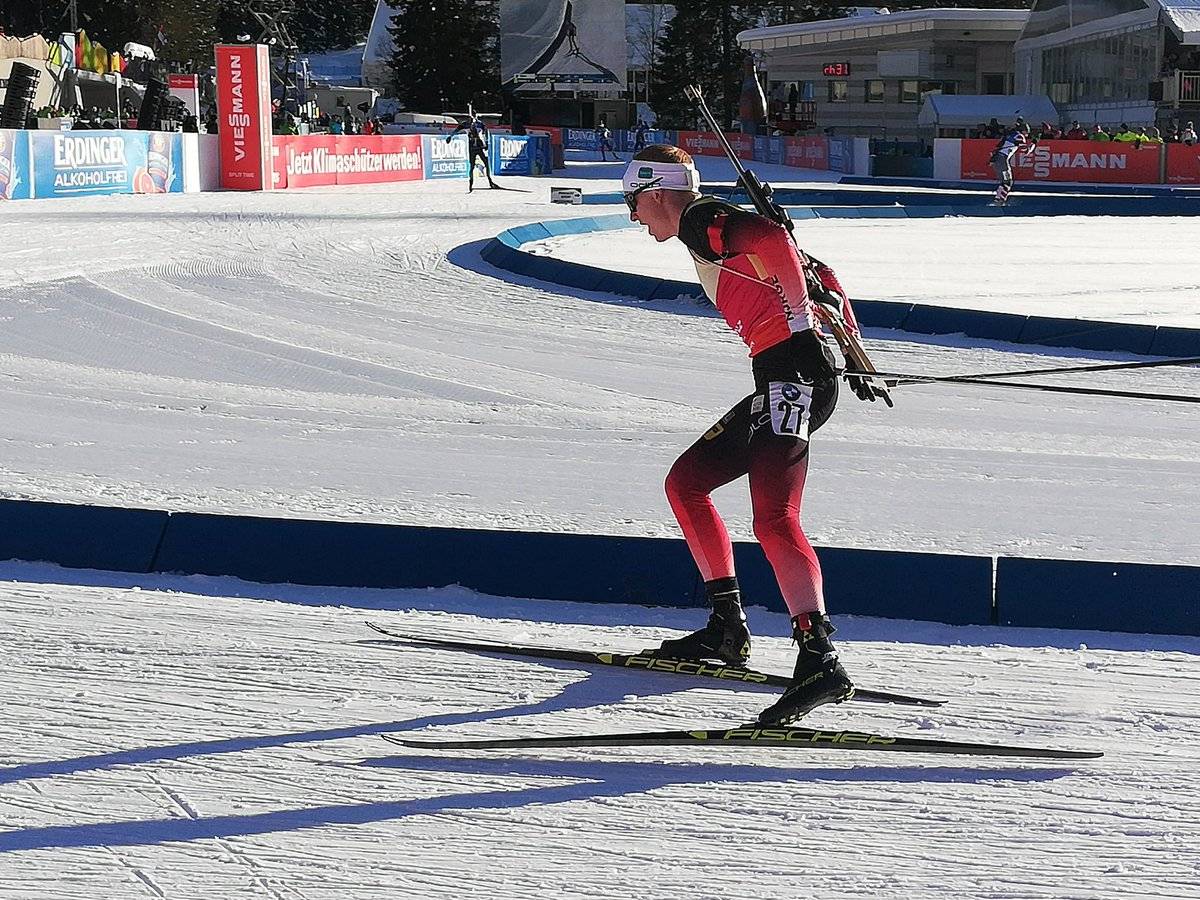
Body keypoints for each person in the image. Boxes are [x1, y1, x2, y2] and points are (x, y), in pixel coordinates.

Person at [621, 144, 887, 725]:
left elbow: (771, 239)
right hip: (788, 375)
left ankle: (819, 663)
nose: (633, 217)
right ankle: (726, 626)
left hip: (791, 377)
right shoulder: (704, 228)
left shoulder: (698, 219)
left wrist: (798, 321)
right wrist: (849, 346)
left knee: (774, 519)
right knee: (687, 483)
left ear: (657, 193)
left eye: (633, 202)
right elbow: (822, 275)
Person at [447, 114, 498, 192]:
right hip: (475, 147)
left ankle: (489, 181)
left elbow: (486, 133)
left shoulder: (479, 124)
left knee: (486, 164)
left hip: (479, 147)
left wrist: (487, 142)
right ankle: (471, 184)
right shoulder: (467, 124)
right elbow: (456, 130)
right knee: (473, 166)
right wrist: (450, 136)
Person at [990, 121, 1035, 205]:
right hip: (1002, 160)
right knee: (1008, 182)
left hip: (997, 159)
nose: (1027, 134)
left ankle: (998, 199)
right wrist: (1033, 144)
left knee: (1005, 182)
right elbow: (1026, 151)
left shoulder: (1012, 134)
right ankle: (999, 201)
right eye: (1027, 132)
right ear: (1023, 130)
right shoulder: (1019, 136)